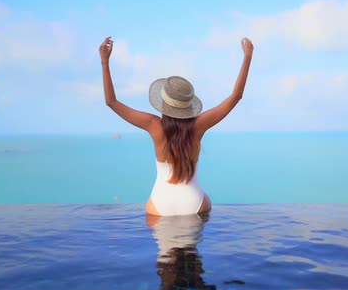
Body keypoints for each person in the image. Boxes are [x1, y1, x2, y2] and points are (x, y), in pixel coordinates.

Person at [99, 36, 254, 216]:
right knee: (204, 210)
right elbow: (236, 96)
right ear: (188, 106)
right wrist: (248, 56)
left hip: (160, 204)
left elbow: (111, 101)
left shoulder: (153, 125)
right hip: (194, 203)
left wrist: (104, 61)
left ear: (163, 103)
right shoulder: (198, 126)